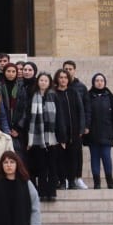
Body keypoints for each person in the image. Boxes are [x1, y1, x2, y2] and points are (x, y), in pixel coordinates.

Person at [16, 72, 66, 202]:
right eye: (41, 80)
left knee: (52, 166)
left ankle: (52, 192)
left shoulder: (54, 96)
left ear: (49, 83)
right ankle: (43, 192)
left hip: (52, 138)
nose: (43, 82)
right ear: (38, 82)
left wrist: (62, 138)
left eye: (46, 80)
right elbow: (28, 116)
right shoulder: (33, 96)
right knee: (41, 166)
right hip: (36, 138)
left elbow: (60, 117)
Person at [82, 73, 113, 189]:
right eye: (97, 80)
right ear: (93, 82)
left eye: (102, 80)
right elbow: (85, 113)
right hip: (92, 133)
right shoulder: (88, 96)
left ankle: (110, 181)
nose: (99, 82)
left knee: (106, 157)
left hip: (107, 132)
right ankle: (97, 182)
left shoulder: (110, 96)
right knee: (94, 158)